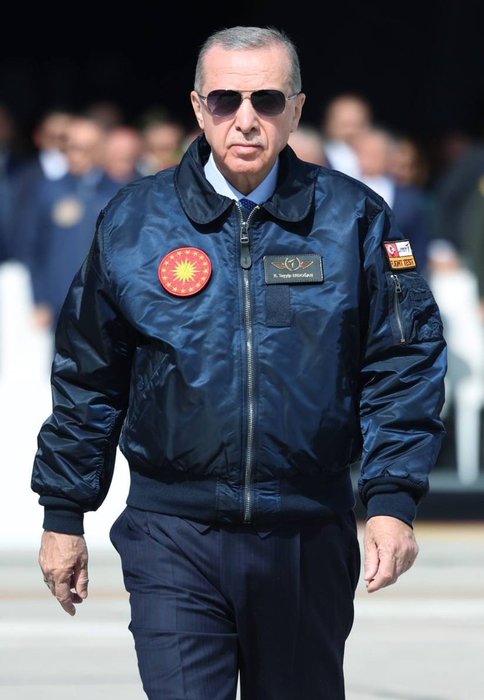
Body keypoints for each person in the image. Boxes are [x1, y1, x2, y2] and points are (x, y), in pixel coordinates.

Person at [31, 25, 447, 700]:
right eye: (226, 100)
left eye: (267, 100)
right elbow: (88, 376)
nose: (246, 119)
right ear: (199, 108)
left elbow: (403, 364)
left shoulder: (353, 219)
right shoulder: (134, 222)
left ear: (297, 109)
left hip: (307, 532)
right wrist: (63, 513)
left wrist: (392, 499)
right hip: (172, 532)